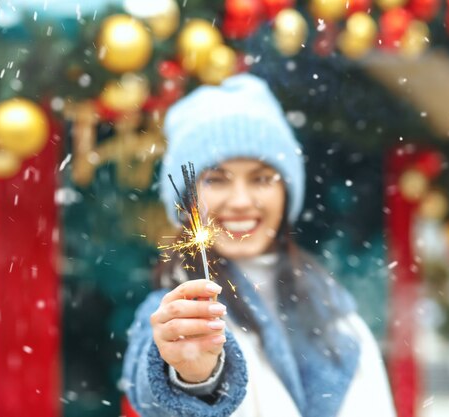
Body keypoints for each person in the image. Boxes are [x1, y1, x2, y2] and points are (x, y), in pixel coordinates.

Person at [121, 74, 396, 417]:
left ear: (286, 191)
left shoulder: (337, 315)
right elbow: (153, 392)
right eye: (217, 179)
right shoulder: (175, 314)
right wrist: (192, 378)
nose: (240, 201)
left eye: (261, 178)